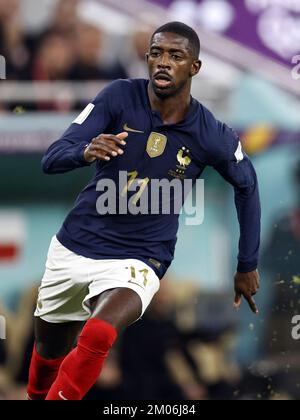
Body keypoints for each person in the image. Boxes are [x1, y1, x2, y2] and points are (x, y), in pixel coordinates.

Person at [27, 21, 261, 401]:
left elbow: (247, 185)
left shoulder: (211, 133)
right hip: (75, 247)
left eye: (175, 55)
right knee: (49, 350)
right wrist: (84, 151)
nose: (163, 62)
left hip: (141, 256)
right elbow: (51, 159)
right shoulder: (118, 97)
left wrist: (246, 263)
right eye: (156, 53)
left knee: (99, 333)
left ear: (195, 67)